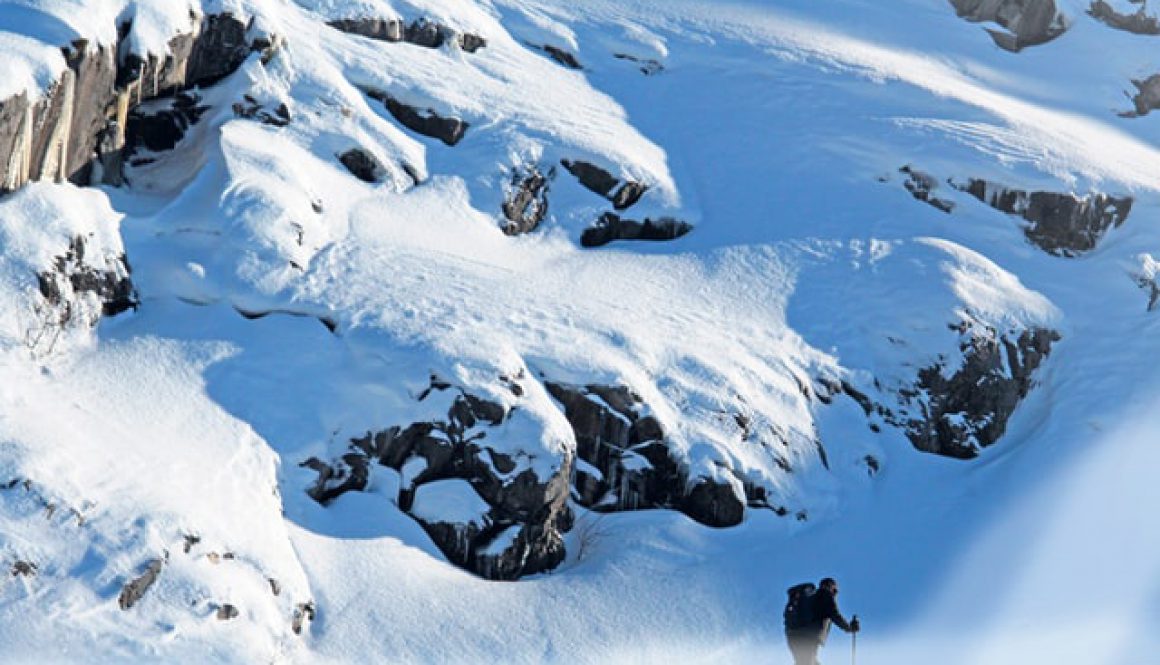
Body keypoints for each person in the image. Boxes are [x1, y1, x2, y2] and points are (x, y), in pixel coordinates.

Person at [786, 577, 860, 665]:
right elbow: (835, 615)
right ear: (830, 587)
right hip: (808, 637)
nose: (835, 595)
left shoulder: (807, 599)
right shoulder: (825, 594)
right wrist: (850, 628)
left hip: (792, 635)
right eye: (835, 591)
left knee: (806, 662)